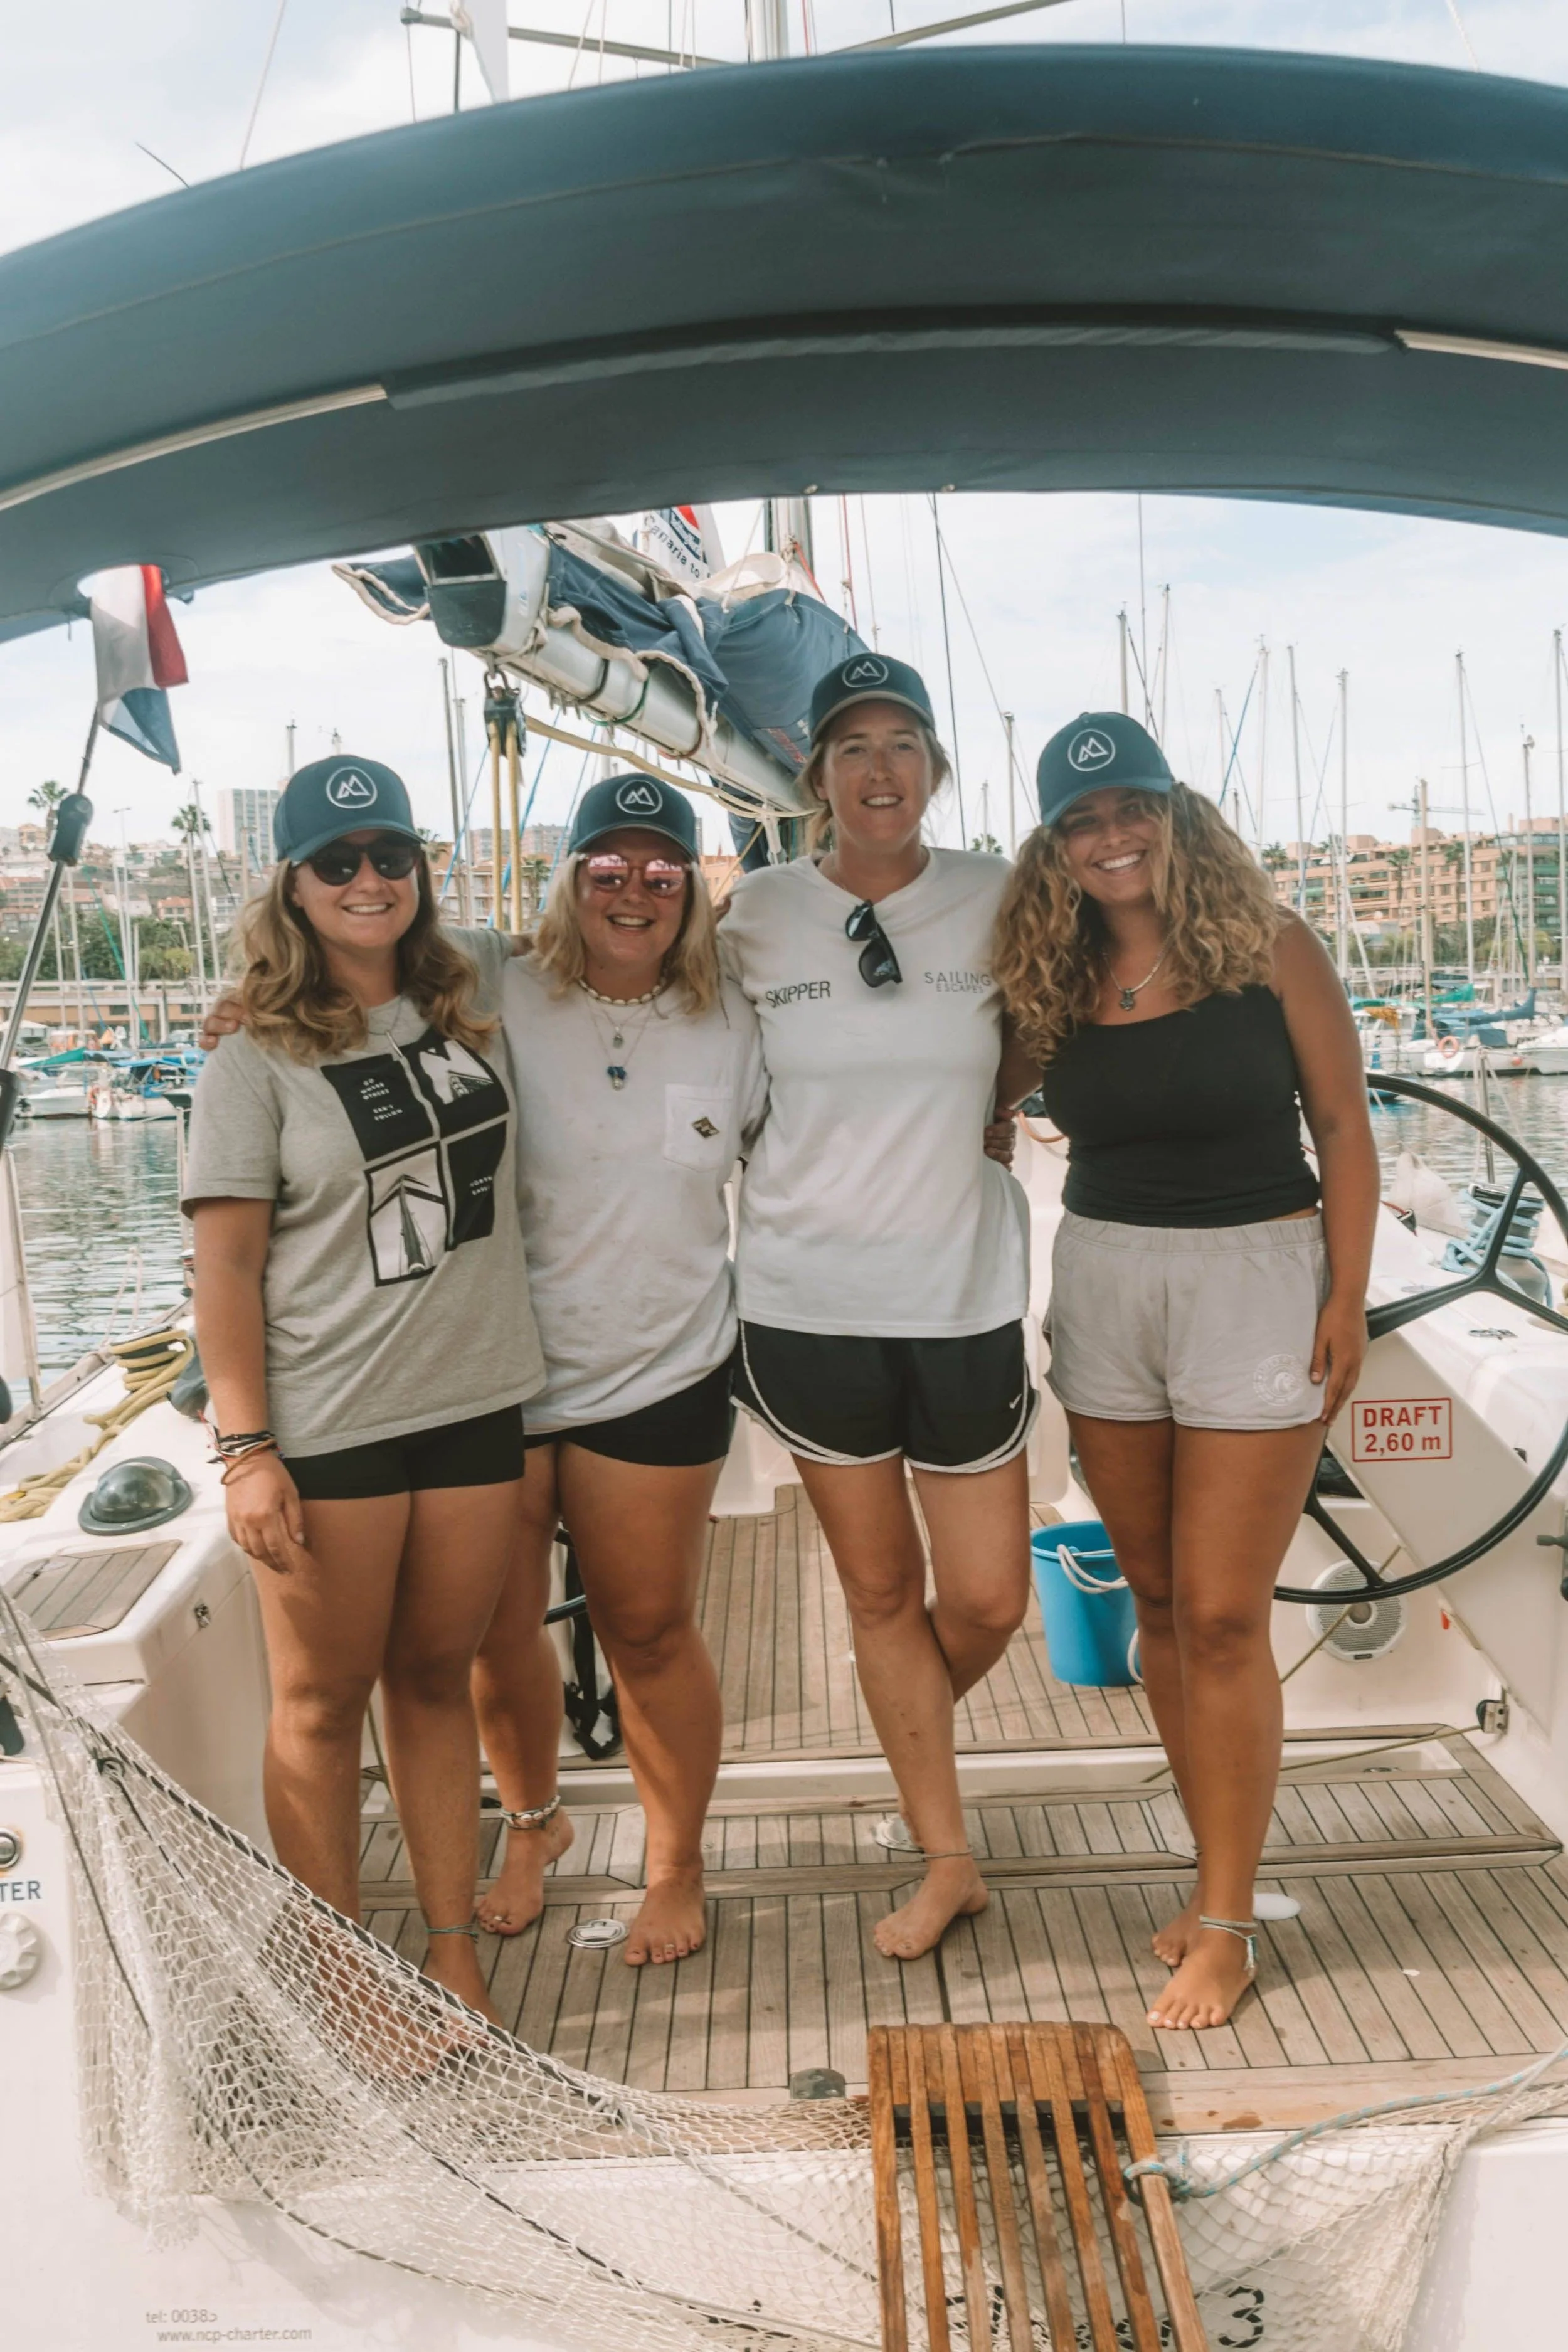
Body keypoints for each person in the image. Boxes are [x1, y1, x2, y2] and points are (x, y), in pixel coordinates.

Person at [991, 711, 1377, 2031]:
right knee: (1153, 1599)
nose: (1108, 838)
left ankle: (1228, 1921)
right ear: (1053, 846)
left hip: (1255, 1280)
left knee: (1219, 1615)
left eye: (1127, 810)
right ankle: (1210, 1872)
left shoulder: (1268, 949)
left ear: (1173, 814)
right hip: (1104, 1282)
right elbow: (980, 1097)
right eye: (1080, 822)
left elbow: (1340, 1125)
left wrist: (1346, 1297)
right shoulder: (1049, 972)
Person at [184, 754, 543, 2027]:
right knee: (322, 1703)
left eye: (389, 854)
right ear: (290, 883)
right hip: (328, 1423)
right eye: (336, 862)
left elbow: (616, 927)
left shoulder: (469, 991)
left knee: (437, 1678)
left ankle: (450, 1951)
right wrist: (245, 1451)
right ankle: (341, 1973)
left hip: (473, 1402)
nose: (367, 879)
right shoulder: (253, 1060)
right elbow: (223, 1264)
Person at [721, 654, 1036, 1963]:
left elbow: (1048, 1018)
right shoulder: (747, 915)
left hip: (960, 1293)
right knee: (877, 1594)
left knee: (984, 1601)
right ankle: (943, 1850)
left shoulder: (997, 896)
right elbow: (600, 980)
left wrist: (997, 1101)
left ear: (934, 769)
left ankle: (910, 1742)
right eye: (852, 747)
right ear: (816, 779)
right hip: (805, 1301)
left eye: (902, 742)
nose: (879, 769)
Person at [470, 773, 765, 1966]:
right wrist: (246, 1010)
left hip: (661, 1363)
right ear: (571, 878)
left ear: (692, 888)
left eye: (661, 871)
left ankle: (673, 1861)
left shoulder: (736, 1011)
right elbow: (345, 974)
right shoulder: (494, 981)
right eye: (609, 868)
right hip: (493, 1365)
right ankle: (532, 1827)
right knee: (497, 1628)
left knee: (648, 1630)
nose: (634, 890)